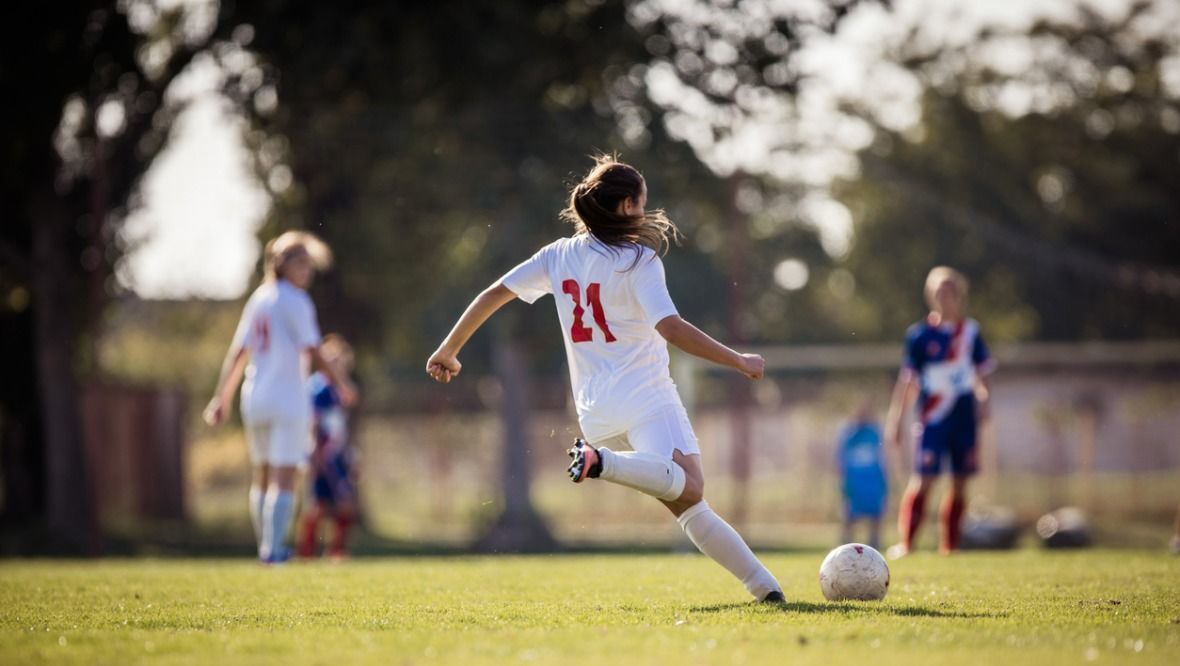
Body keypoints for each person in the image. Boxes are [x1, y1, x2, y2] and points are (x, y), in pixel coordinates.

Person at [425, 155, 784, 603]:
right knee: (691, 486)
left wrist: (448, 349)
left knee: (688, 503)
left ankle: (765, 589)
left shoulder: (557, 255)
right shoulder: (638, 261)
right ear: (626, 205)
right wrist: (738, 360)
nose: (646, 211)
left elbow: (494, 293)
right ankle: (603, 463)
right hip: (646, 397)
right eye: (643, 202)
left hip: (594, 410)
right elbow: (670, 328)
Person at [204, 231, 356, 564]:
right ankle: (273, 552)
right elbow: (314, 348)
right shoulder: (296, 300)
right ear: (280, 263)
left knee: (262, 473)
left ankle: (265, 547)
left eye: (309, 264)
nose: (307, 271)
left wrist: (222, 398)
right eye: (300, 263)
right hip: (288, 397)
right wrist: (342, 384)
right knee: (283, 475)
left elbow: (238, 352)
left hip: (254, 396)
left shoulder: (259, 298)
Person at [885, 266, 994, 558]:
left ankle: (950, 546)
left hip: (963, 418)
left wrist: (984, 399)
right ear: (930, 295)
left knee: (959, 483)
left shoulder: (970, 332)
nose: (945, 297)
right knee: (924, 480)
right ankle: (907, 543)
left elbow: (983, 375)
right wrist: (896, 418)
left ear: (960, 295)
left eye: (951, 291)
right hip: (932, 419)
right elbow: (908, 380)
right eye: (939, 291)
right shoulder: (919, 336)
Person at [298, 334, 360, 560]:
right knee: (318, 505)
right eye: (332, 360)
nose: (336, 364)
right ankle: (307, 552)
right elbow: (314, 422)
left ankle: (335, 550)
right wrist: (314, 453)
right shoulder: (317, 387)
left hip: (337, 452)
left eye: (340, 360)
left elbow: (351, 399)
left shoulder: (338, 387)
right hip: (322, 453)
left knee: (343, 503)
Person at [836, 400, 887, 550]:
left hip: (872, 481)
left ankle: (874, 544)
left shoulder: (874, 433)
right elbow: (841, 458)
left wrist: (883, 481)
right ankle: (845, 545)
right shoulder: (849, 434)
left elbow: (881, 457)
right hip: (854, 481)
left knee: (875, 515)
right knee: (849, 515)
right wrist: (843, 481)